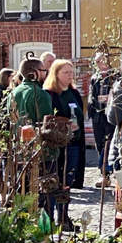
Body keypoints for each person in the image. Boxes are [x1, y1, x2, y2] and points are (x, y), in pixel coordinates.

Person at [43, 60, 86, 230]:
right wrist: (65, 125)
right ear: (56, 74)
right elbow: (48, 121)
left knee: (67, 181)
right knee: (54, 181)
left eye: (71, 72)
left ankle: (63, 217)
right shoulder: (51, 95)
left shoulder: (74, 93)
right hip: (57, 146)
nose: (70, 75)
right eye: (66, 72)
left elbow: (81, 116)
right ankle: (49, 218)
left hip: (73, 144)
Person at [87, 53, 118, 188]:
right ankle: (104, 175)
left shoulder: (115, 77)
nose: (98, 64)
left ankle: (109, 173)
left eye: (100, 61)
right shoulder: (95, 78)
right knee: (100, 145)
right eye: (96, 62)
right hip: (97, 116)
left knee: (110, 144)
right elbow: (91, 96)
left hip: (110, 116)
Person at [10, 58, 52, 126]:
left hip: (17, 135)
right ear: (35, 72)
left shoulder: (13, 93)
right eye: (44, 71)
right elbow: (48, 125)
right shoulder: (41, 94)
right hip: (35, 135)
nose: (46, 74)